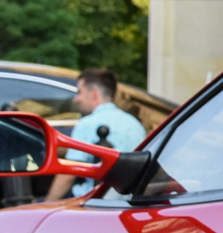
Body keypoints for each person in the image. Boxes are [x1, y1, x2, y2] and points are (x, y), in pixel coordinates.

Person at [45, 69, 148, 201]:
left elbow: (68, 175)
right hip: (130, 201)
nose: (76, 99)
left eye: (79, 92)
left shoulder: (87, 124)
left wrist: (46, 204)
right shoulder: (136, 125)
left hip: (94, 200)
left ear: (93, 94)